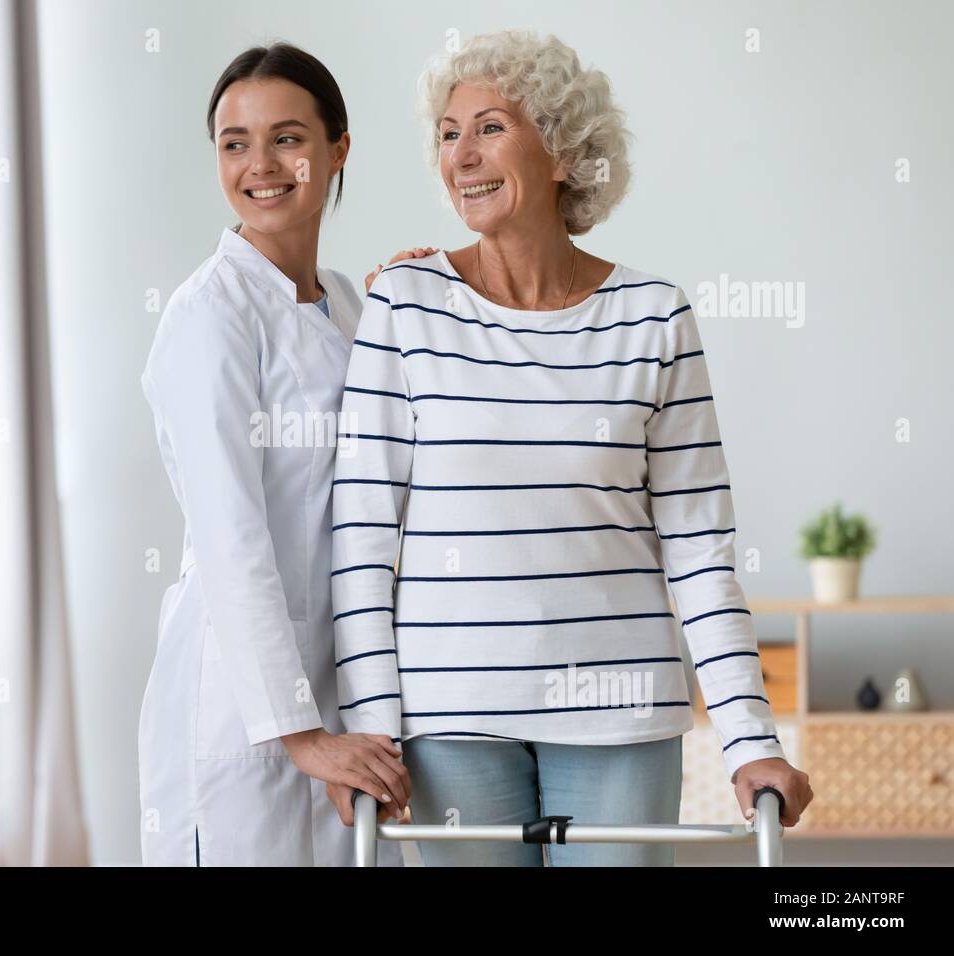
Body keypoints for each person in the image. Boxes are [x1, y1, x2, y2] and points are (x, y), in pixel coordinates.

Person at [331, 29, 813, 865]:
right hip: (449, 722)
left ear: (560, 150)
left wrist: (748, 738)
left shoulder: (655, 316)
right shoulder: (405, 305)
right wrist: (372, 727)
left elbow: (700, 552)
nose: (463, 154)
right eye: (448, 132)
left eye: (490, 126)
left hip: (620, 716)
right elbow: (363, 538)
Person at [138, 43, 409, 866]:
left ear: (338, 149)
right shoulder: (210, 316)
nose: (260, 165)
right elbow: (231, 538)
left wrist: (427, 296)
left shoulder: (353, 306)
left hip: (340, 692)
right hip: (248, 710)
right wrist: (299, 735)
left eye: (288, 138)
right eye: (233, 142)